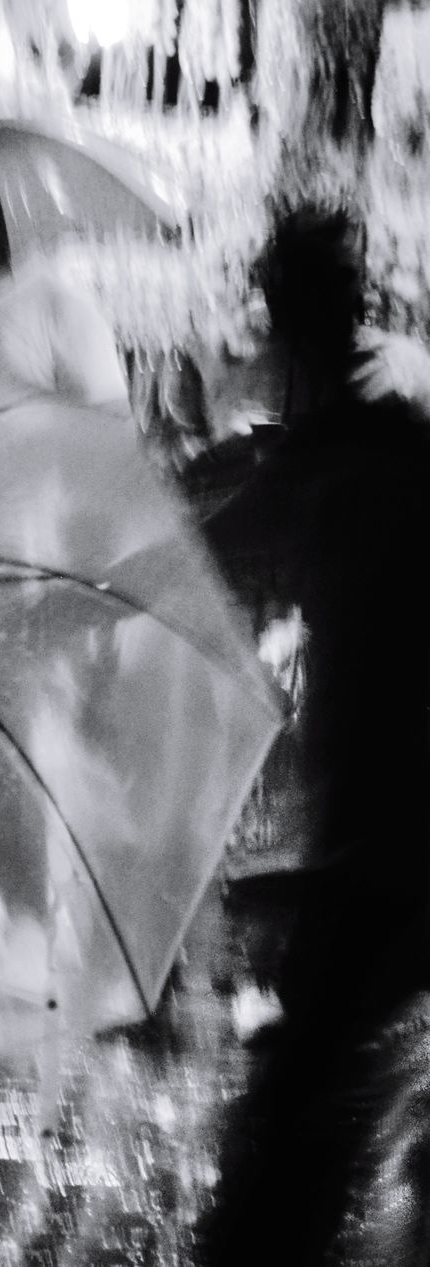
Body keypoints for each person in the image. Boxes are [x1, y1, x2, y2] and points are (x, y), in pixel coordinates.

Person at [197, 204, 430, 1266]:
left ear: (285, 322)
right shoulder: (388, 452)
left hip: (371, 839)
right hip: (384, 830)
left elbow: (205, 553)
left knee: (286, 1144)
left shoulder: (325, 470)